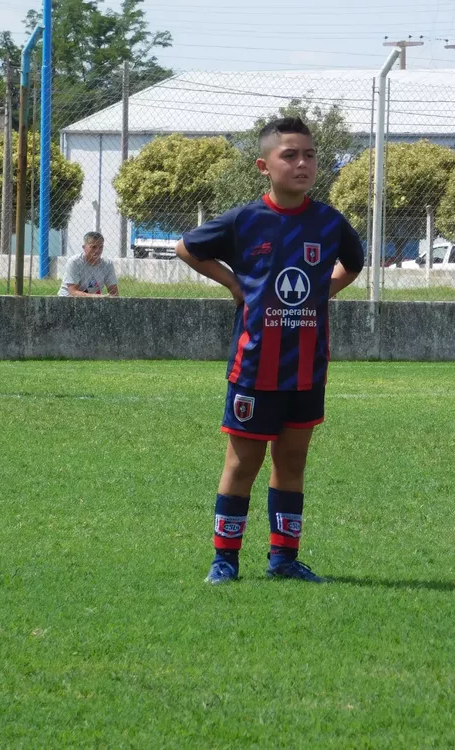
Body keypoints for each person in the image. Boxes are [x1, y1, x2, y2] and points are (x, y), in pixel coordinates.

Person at [175, 117, 365, 585]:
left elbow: (353, 264)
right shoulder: (245, 219)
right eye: (290, 155)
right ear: (264, 165)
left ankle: (283, 558)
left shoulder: (329, 221)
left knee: (293, 461)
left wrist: (322, 293)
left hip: (306, 367)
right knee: (242, 463)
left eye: (310, 155)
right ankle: (225, 560)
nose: (302, 163)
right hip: (255, 365)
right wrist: (236, 285)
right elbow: (186, 248)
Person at [58, 231, 119, 297]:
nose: (97, 251)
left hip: (93, 301)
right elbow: (73, 292)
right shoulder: (74, 262)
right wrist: (98, 297)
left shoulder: (107, 264)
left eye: (100, 247)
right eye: (93, 247)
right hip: (68, 301)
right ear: (84, 247)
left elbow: (114, 293)